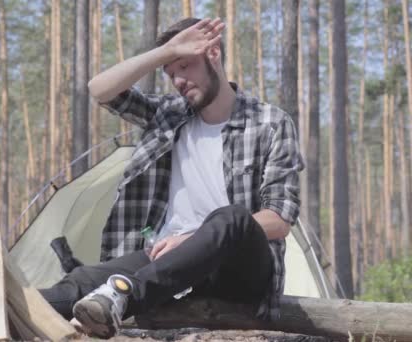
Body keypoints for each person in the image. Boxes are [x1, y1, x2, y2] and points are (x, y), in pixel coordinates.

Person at [39, 17, 304, 338]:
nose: (177, 79)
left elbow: (278, 220)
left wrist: (194, 238)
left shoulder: (269, 122)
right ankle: (11, 302)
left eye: (185, 66)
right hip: (163, 258)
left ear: (213, 55)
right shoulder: (166, 114)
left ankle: (122, 296)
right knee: (80, 283)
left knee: (232, 218)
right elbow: (100, 89)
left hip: (235, 270)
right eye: (170, 71)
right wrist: (166, 51)